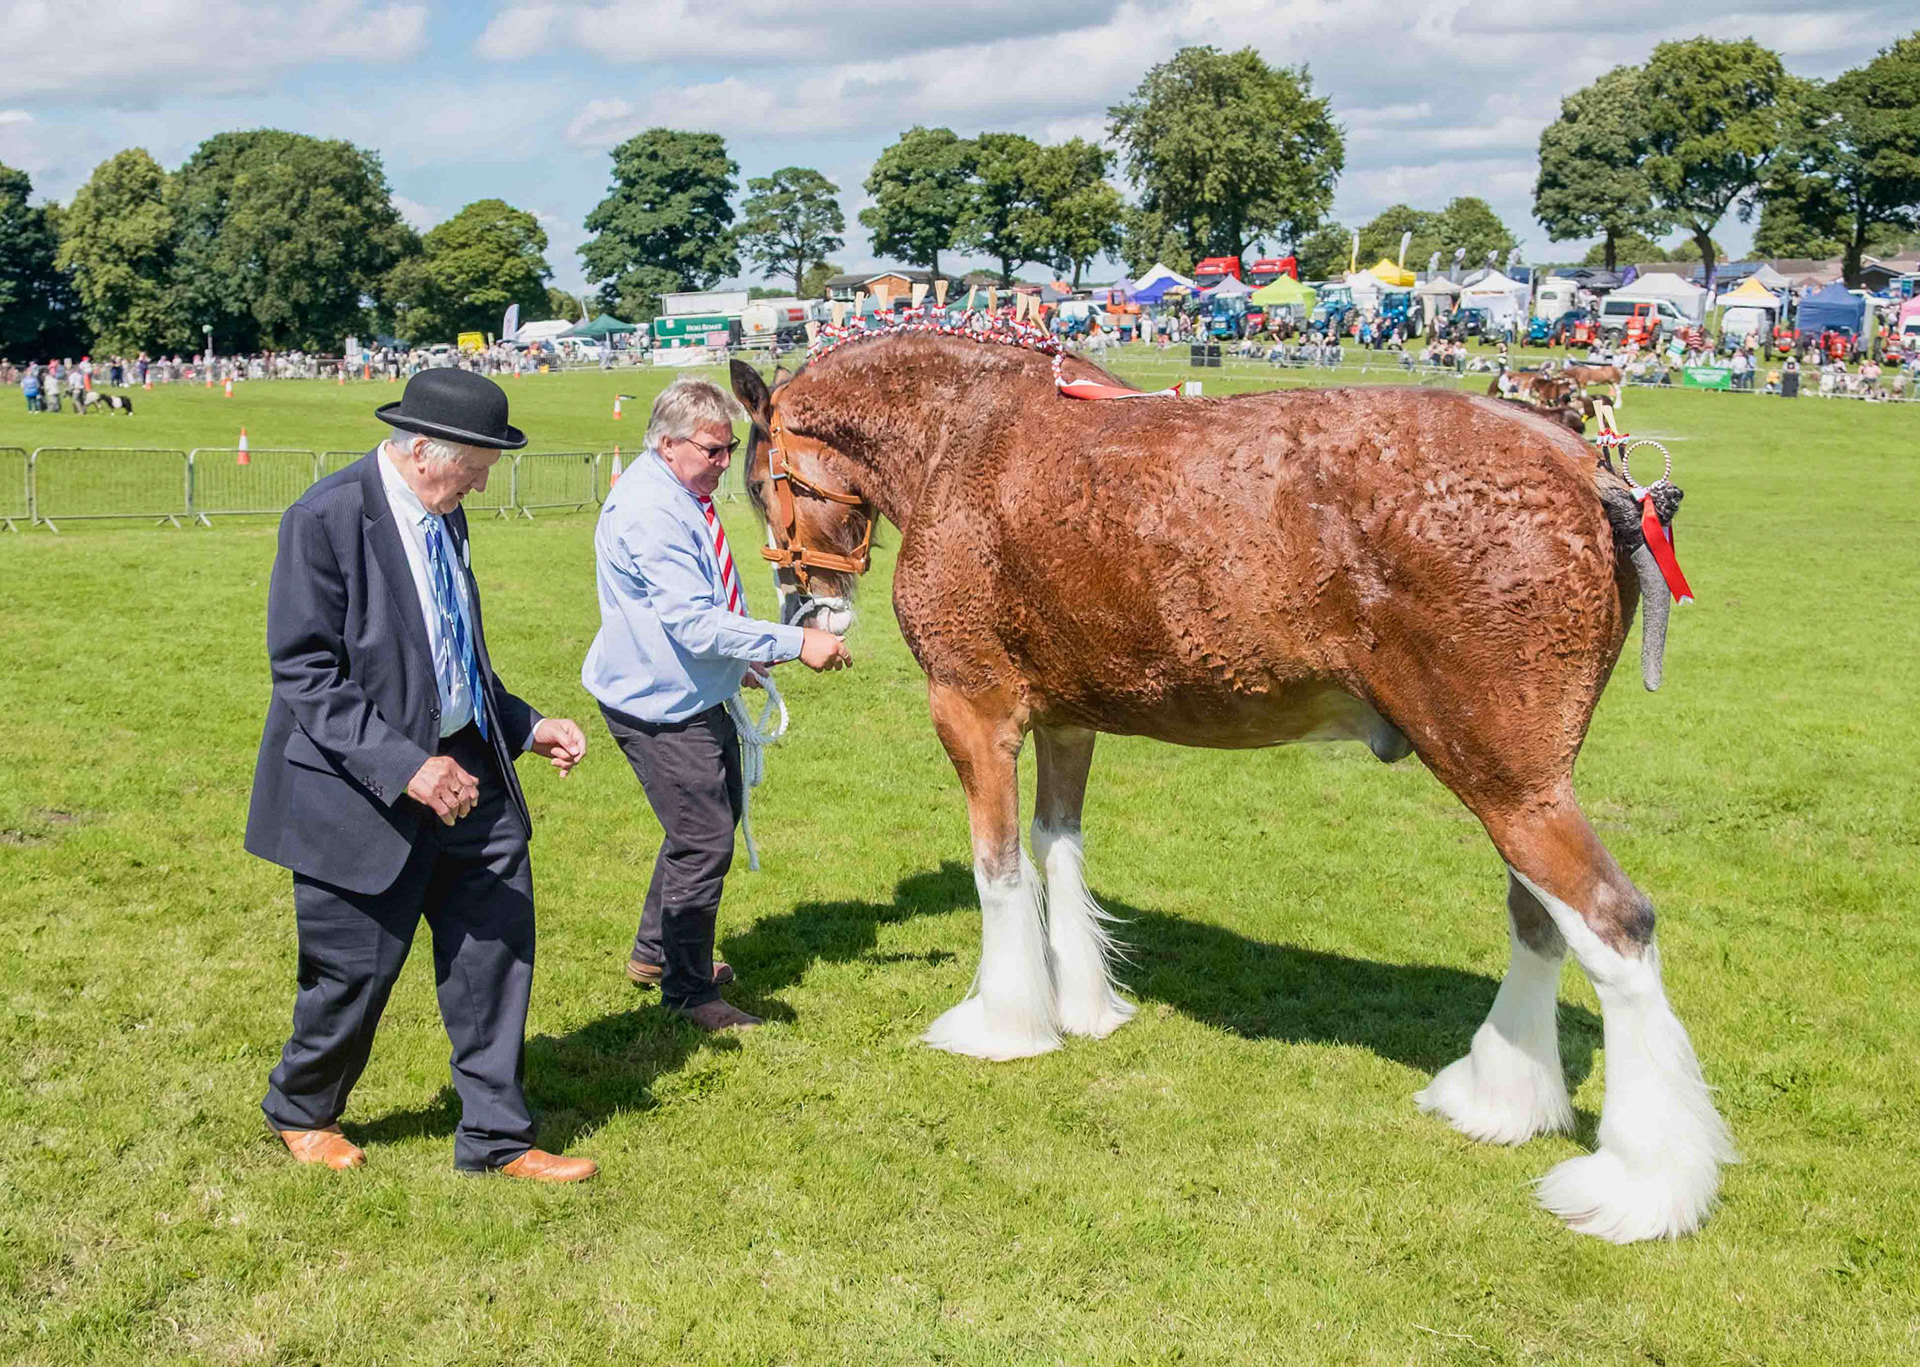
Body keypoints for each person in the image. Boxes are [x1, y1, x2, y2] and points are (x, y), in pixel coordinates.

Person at [247, 369, 597, 1181]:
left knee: (495, 952)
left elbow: (454, 657)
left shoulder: (448, 512)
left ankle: (497, 1136)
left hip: (469, 777)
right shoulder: (327, 517)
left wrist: (525, 725)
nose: (484, 478)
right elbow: (305, 675)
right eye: (477, 462)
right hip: (357, 790)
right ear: (421, 451)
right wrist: (407, 766)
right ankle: (302, 1105)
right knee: (353, 974)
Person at [583, 378, 852, 1031]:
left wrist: (745, 656)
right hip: (659, 703)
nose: (725, 461)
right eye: (713, 449)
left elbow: (701, 616)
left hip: (687, 687)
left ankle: (658, 953)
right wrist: (796, 641)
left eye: (731, 447)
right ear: (667, 443)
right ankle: (688, 988)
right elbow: (695, 624)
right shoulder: (651, 511)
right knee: (703, 840)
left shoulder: (679, 494)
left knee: (705, 825)